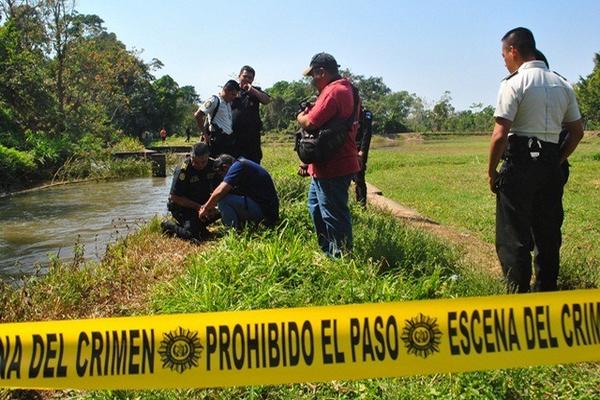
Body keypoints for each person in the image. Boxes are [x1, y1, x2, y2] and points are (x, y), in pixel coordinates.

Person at [488, 27, 584, 293]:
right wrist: (557, 158)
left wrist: (491, 172)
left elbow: (500, 135)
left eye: (503, 55)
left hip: (519, 162)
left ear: (513, 50)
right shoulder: (562, 83)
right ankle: (546, 290)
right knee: (548, 232)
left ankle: (518, 294)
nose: (504, 61)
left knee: (513, 234)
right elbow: (577, 132)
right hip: (551, 163)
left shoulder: (514, 83)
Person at [296, 53, 361, 257]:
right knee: (315, 207)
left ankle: (341, 257)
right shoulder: (344, 88)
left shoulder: (334, 92)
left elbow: (310, 122)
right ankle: (328, 250)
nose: (312, 80)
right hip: (323, 162)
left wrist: (300, 117)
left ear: (321, 72)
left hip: (335, 164)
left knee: (333, 213)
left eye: (313, 75)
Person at [199, 154, 279, 229]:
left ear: (225, 167)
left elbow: (220, 191)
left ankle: (232, 230)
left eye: (223, 174)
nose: (224, 177)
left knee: (222, 200)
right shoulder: (243, 164)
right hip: (267, 209)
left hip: (264, 212)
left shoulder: (238, 166)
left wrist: (205, 208)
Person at [162, 142, 220, 242]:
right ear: (191, 156)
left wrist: (212, 205)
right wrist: (199, 207)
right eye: (195, 162)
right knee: (192, 235)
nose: (199, 165)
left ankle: (199, 226)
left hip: (204, 206)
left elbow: (220, 189)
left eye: (203, 162)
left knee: (226, 208)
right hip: (184, 208)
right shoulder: (183, 169)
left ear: (208, 157)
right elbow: (174, 197)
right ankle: (169, 225)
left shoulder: (213, 165)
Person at [232, 66, 271, 163]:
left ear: (253, 79)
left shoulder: (256, 91)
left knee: (253, 165)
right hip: (234, 137)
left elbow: (267, 100)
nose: (247, 79)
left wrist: (252, 90)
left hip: (252, 138)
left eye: (250, 78)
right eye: (245, 76)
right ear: (239, 76)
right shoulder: (232, 91)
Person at [194, 80, 240, 157]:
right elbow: (198, 115)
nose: (234, 97)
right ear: (225, 90)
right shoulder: (215, 100)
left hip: (227, 141)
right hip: (217, 140)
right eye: (232, 94)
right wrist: (205, 134)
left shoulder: (227, 103)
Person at [354, 107, 373, 208]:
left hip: (360, 149)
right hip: (350, 147)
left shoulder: (366, 114)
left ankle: (362, 205)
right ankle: (356, 203)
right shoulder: (349, 112)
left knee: (359, 177)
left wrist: (362, 151)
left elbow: (367, 134)